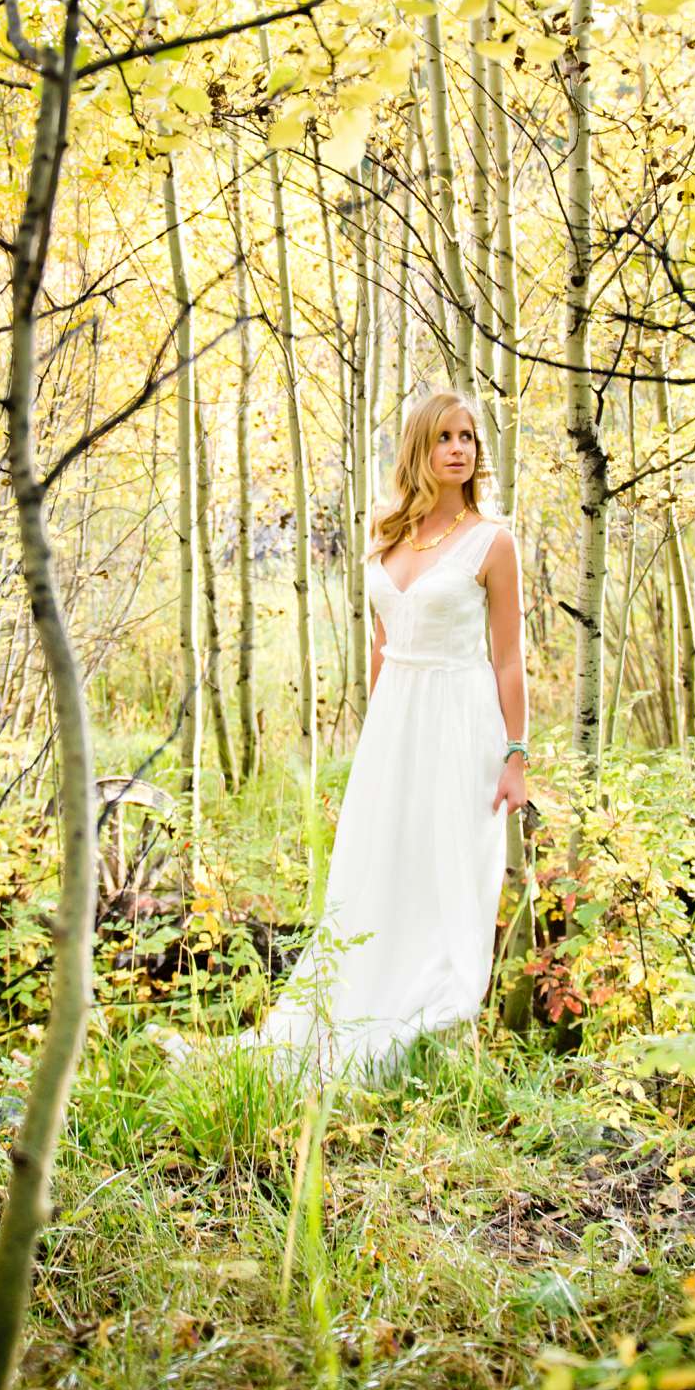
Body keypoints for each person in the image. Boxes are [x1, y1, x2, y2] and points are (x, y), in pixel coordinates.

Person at [234, 388, 528, 1077]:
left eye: (468, 438)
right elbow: (379, 642)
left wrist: (515, 754)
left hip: (460, 715)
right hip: (395, 719)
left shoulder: (492, 541)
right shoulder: (385, 534)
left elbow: (510, 656)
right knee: (379, 859)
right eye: (443, 437)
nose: (459, 449)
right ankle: (353, 996)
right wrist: (375, 732)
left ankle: (435, 1017)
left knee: (447, 860)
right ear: (418, 449)